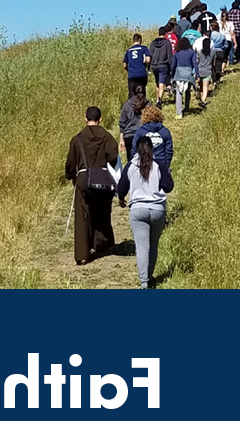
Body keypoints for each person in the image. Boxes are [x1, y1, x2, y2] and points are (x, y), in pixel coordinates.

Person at [116, 135, 173, 289]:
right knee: (153, 245)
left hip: (138, 210)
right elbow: (169, 187)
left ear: (136, 150)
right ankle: (149, 275)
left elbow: (121, 187)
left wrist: (121, 199)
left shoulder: (131, 166)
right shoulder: (159, 165)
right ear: (151, 149)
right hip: (157, 210)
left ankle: (144, 282)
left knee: (142, 247)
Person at [65, 106, 119, 265]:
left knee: (83, 216)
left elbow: (70, 163)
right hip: (102, 178)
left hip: (83, 179)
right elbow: (114, 157)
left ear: (85, 118)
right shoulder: (107, 136)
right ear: (100, 119)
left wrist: (70, 176)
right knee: (102, 211)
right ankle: (101, 243)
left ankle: (82, 254)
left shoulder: (78, 139)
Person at [131, 105, 173, 169]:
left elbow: (134, 149)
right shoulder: (165, 131)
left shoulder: (140, 132)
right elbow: (169, 151)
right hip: (161, 165)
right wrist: (166, 165)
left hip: (144, 166)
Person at [118, 85, 146, 163]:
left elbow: (122, 123)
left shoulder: (127, 105)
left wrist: (121, 139)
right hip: (144, 135)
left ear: (133, 92)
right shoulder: (147, 104)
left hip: (129, 136)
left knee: (131, 162)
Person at [171, 36, 198, 119]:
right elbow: (195, 63)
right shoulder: (191, 52)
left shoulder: (177, 52)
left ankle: (179, 113)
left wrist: (172, 74)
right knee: (187, 91)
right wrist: (197, 74)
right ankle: (186, 108)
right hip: (188, 73)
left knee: (179, 93)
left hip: (179, 73)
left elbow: (173, 65)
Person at [122, 33, 151, 98]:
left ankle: (132, 106)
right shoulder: (144, 48)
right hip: (142, 74)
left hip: (132, 75)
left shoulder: (129, 50)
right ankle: (142, 105)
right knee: (142, 91)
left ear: (133, 40)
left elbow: (124, 64)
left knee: (132, 93)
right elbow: (148, 60)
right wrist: (145, 65)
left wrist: (128, 69)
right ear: (140, 40)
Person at [149, 27, 173, 102]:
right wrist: (171, 66)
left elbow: (150, 55)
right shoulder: (167, 43)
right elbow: (169, 56)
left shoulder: (153, 43)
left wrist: (149, 67)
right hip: (163, 65)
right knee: (162, 83)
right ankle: (159, 100)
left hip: (154, 65)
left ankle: (157, 99)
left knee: (157, 83)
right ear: (165, 33)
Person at [195, 27, 214, 107]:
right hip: (208, 70)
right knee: (206, 86)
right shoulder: (212, 52)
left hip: (200, 70)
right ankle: (203, 100)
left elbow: (197, 61)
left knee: (201, 86)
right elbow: (213, 61)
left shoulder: (199, 53)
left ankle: (201, 97)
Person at [227, 0, 240, 64]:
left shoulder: (229, 13)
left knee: (231, 45)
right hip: (239, 32)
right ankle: (238, 58)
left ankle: (231, 60)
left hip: (231, 32)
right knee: (238, 45)